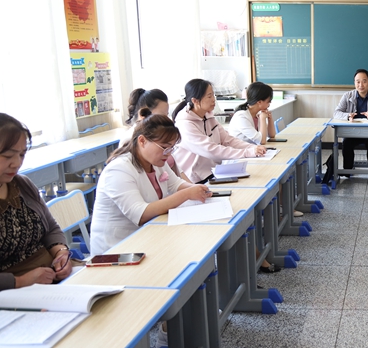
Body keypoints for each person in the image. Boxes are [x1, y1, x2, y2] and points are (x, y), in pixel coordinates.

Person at [89, 109, 212, 255]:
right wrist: (187, 194)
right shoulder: (118, 170)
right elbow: (141, 214)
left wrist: (197, 189)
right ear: (142, 141)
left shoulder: (155, 161)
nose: (168, 154)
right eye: (164, 148)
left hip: (146, 237)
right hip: (116, 250)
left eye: (171, 148)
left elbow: (175, 184)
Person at [0, 113, 72, 290]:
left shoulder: (21, 184)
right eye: (8, 156)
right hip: (14, 292)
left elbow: (51, 228)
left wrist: (61, 253)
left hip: (50, 278)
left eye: (22, 154)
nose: (16, 163)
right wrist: (21, 281)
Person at [172, 79, 265, 184]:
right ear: (195, 101)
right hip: (194, 180)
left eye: (213, 95)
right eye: (209, 96)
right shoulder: (184, 124)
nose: (214, 100)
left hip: (213, 173)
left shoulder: (208, 117)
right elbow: (211, 150)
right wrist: (248, 152)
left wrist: (253, 148)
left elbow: (228, 140)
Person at [120, 88, 190, 182]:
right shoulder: (131, 140)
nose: (166, 119)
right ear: (143, 114)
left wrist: (193, 187)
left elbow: (176, 173)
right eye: (161, 115)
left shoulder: (159, 137)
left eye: (166, 115)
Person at [333, 69, 368, 176]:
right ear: (354, 82)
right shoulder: (347, 96)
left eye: (364, 81)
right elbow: (336, 113)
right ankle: (348, 170)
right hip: (352, 132)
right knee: (346, 143)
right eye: (358, 82)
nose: (361, 85)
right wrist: (347, 116)